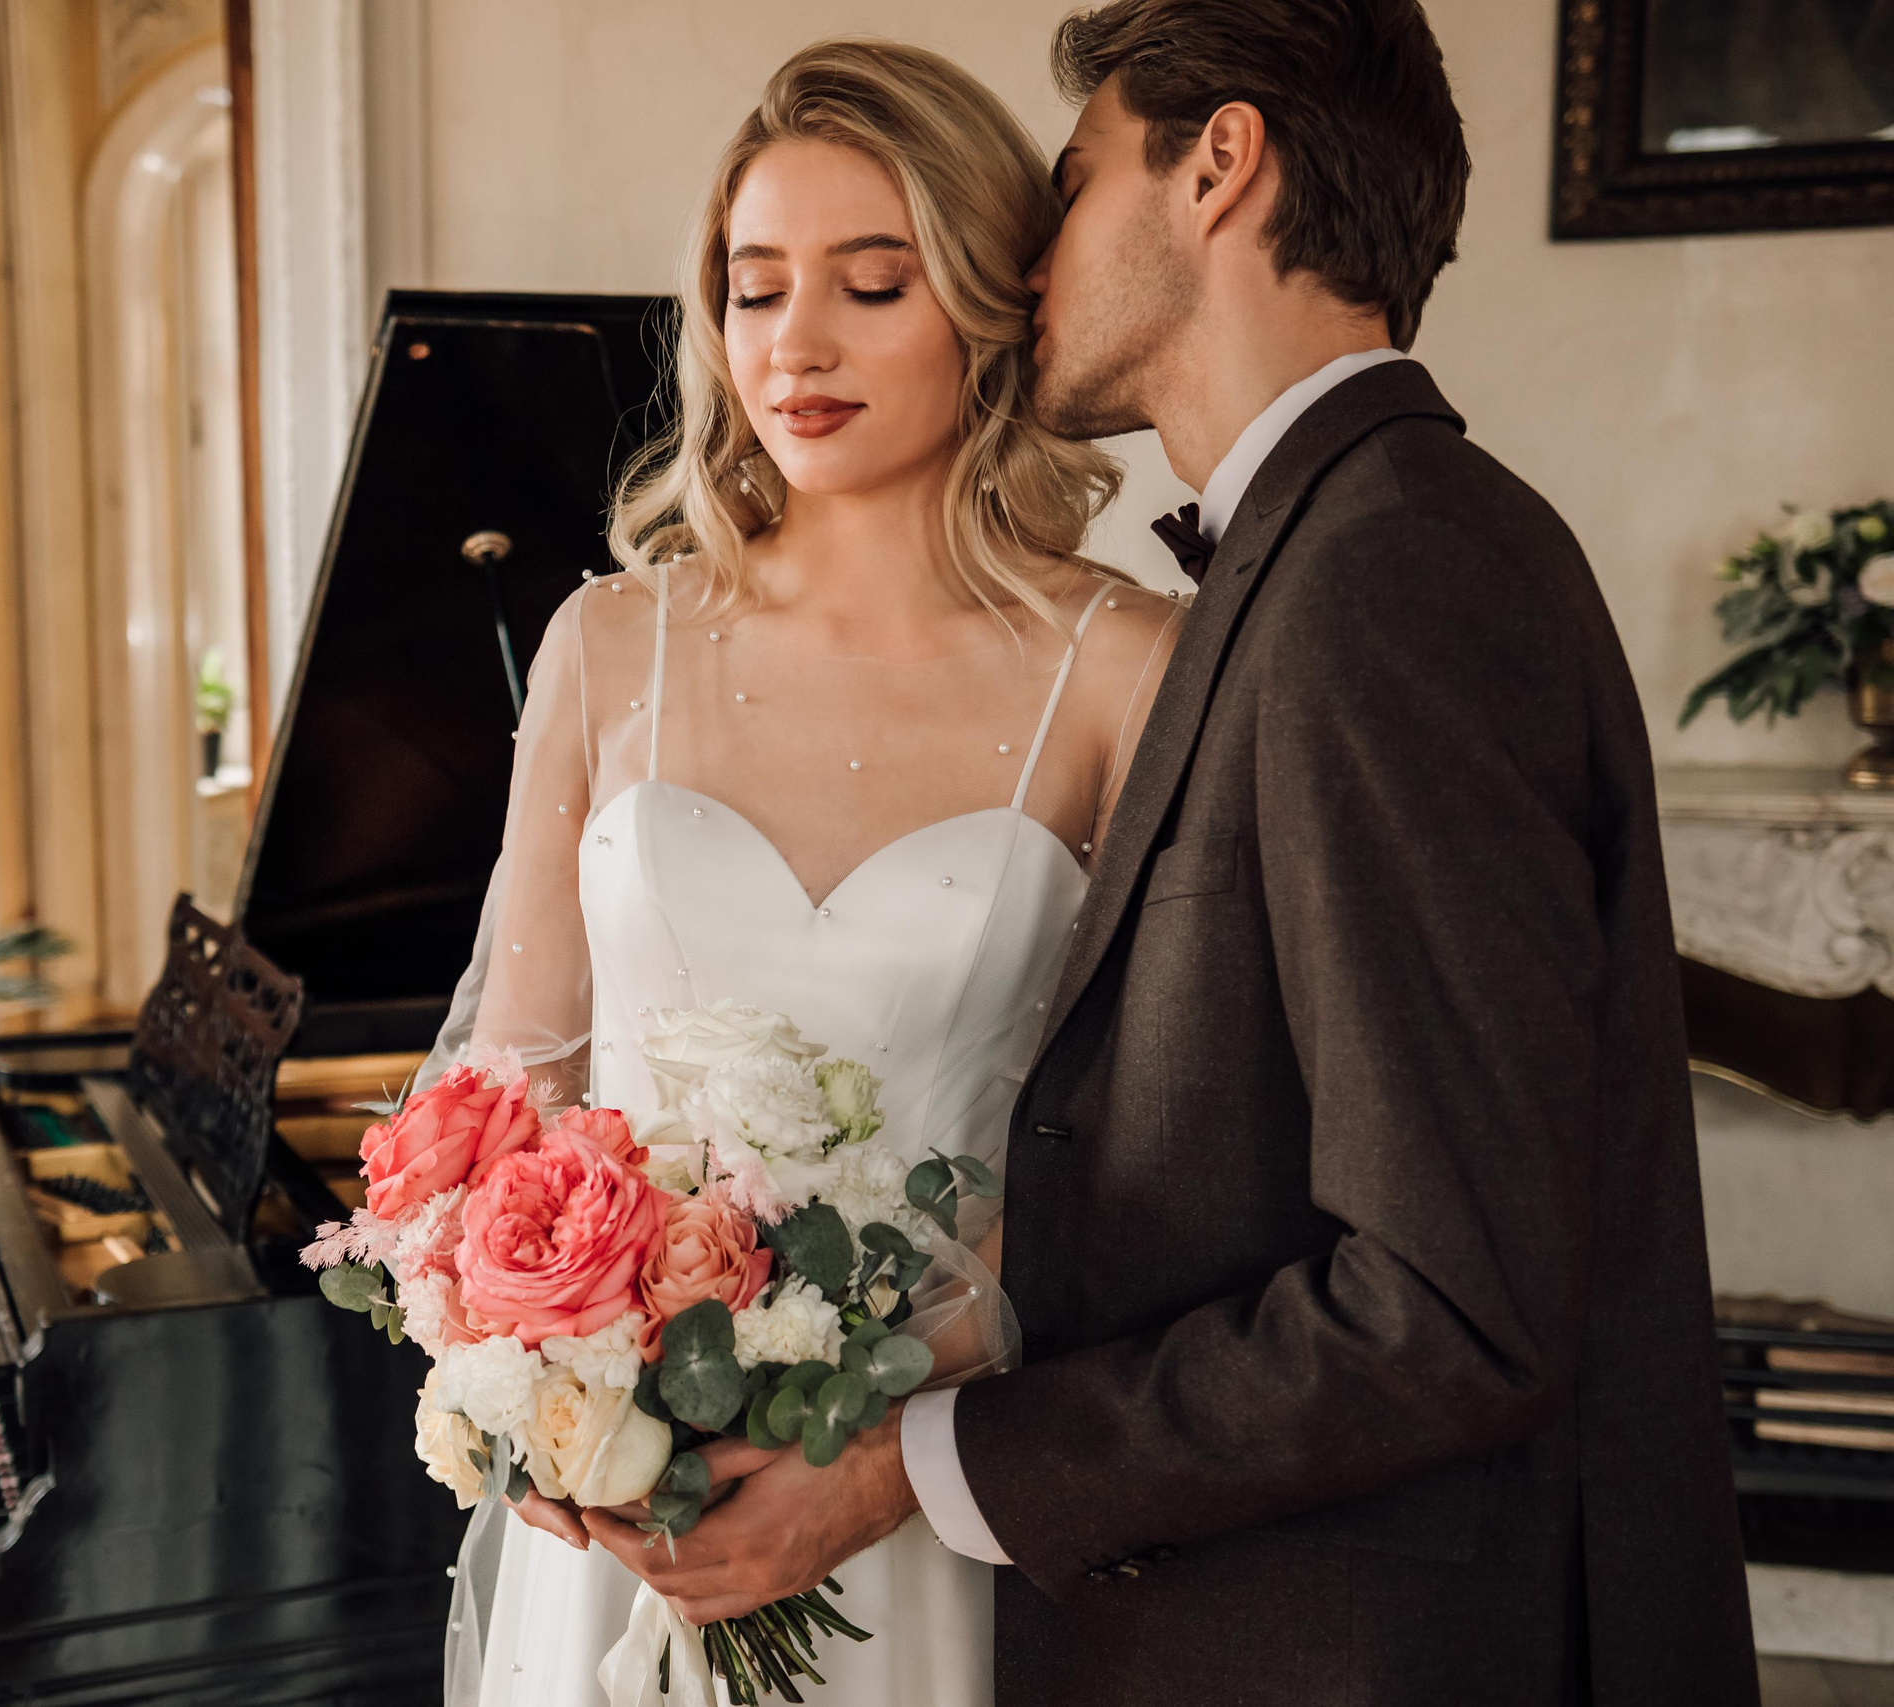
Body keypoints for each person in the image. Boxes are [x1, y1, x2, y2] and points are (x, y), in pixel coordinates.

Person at [601, 4, 1764, 1704]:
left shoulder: (1392, 581)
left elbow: (1449, 1299)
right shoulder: (1340, 555)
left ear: (1217, 166)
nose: (1034, 258)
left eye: (1072, 184)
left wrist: (911, 1466)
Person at [422, 37, 1181, 1707]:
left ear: (986, 301)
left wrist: (884, 1391)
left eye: (873, 282)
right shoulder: (612, 643)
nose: (798, 347)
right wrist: (542, 1374)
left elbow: (1153, 1149)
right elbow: (512, 1081)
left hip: (922, 1489)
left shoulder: (1126, 669)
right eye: (754, 293)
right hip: (624, 1510)